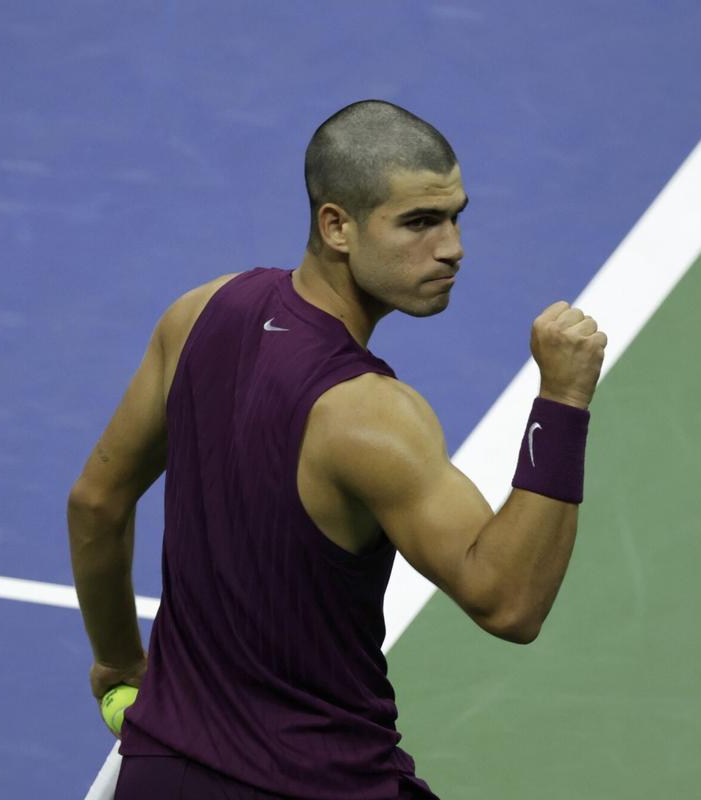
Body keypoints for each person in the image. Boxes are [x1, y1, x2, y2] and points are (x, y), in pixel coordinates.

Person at [67, 99, 606, 799]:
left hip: (160, 774)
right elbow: (510, 602)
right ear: (336, 226)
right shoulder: (371, 418)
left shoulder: (199, 313)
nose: (452, 247)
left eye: (455, 217)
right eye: (419, 222)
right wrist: (562, 400)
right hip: (323, 785)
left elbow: (97, 502)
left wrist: (118, 665)